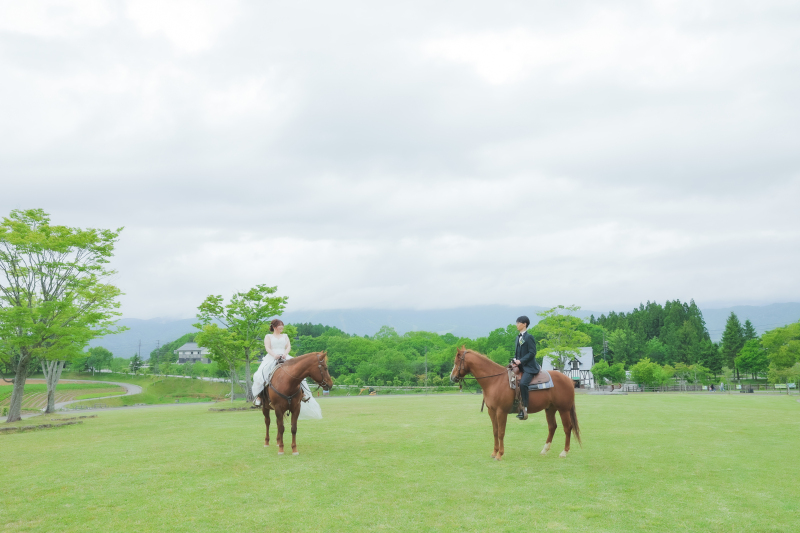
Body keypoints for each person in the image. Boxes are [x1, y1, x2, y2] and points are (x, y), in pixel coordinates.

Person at [251, 319, 322, 419]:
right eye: (280, 325)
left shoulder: (285, 336)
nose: (282, 327)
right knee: (261, 373)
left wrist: (285, 354)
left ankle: (303, 393)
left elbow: (288, 346)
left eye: (282, 325)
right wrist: (275, 355)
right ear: (274, 326)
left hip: (285, 356)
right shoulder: (268, 336)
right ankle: (259, 396)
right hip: (272, 357)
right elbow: (267, 348)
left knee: (298, 372)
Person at [510, 315, 539, 420]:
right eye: (517, 323)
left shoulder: (529, 337)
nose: (516, 325)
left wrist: (521, 361)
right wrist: (515, 360)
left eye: (518, 323)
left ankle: (524, 409)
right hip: (519, 367)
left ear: (524, 324)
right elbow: (518, 353)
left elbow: (532, 353)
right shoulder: (518, 337)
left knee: (523, 384)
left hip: (529, 367)